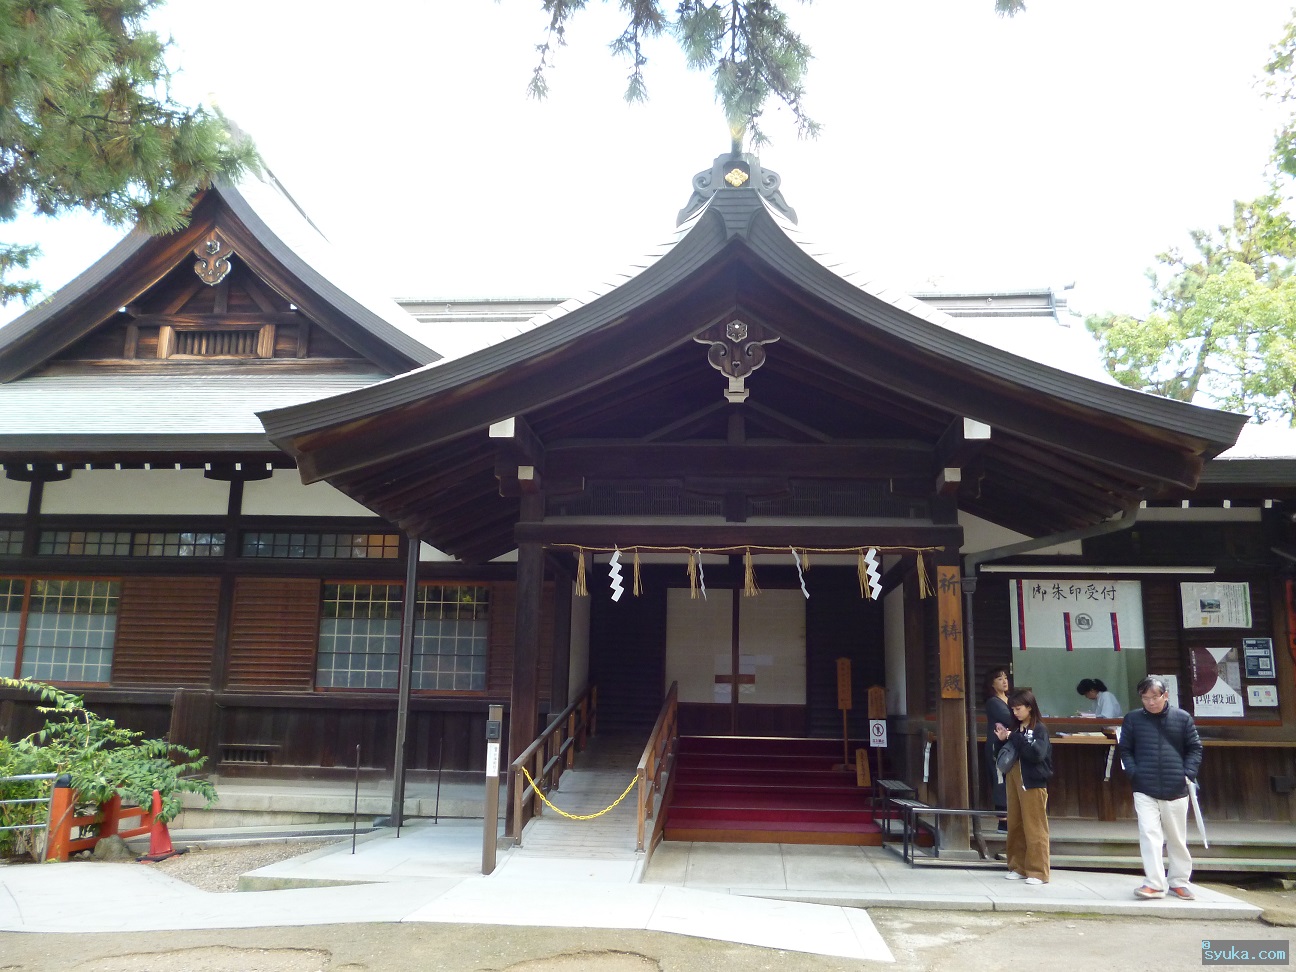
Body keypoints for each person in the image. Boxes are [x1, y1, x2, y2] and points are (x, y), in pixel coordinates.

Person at [1118, 675, 1204, 901]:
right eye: (1145, 698)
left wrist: (1187, 773)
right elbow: (1125, 749)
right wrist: (1133, 772)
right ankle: (1154, 884)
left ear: (1165, 695)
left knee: (1176, 838)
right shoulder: (1133, 719)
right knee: (1149, 835)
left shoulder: (1182, 718)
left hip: (1176, 786)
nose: (1150, 702)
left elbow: (1195, 748)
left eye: (1154, 697)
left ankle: (1179, 881)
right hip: (1143, 786)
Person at [993, 687, 1053, 885]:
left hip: (1033, 782)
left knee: (1035, 827)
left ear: (1029, 707)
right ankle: (1017, 866)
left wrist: (1013, 737)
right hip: (1013, 778)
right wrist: (1002, 740)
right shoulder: (1016, 729)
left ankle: (1038, 871)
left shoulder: (1039, 729)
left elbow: (1036, 754)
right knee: (1015, 825)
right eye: (1013, 709)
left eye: (1018, 708)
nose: (1015, 712)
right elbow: (1004, 754)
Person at [983, 668, 1012, 830]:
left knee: (1010, 781)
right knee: (1000, 780)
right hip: (997, 746)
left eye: (1005, 677)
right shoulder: (993, 702)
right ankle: (1003, 821)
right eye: (1000, 679)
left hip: (1010, 745)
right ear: (992, 683)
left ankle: (1011, 818)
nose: (1004, 681)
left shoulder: (1010, 700)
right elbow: (1009, 719)